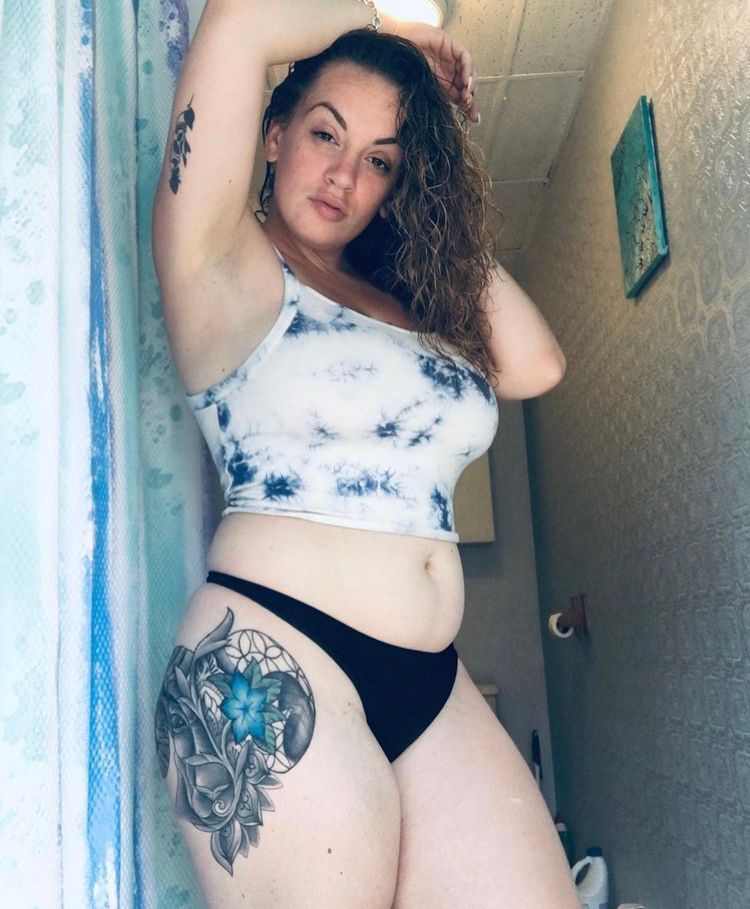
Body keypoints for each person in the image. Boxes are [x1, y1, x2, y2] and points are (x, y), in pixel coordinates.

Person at [151, 1, 579, 906]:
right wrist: (395, 31)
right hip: (271, 655)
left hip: (429, 678)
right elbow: (237, 20)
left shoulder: (401, 303)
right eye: (325, 134)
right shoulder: (221, 262)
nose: (345, 175)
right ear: (273, 136)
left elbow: (535, 362)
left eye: (380, 161)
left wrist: (437, 205)